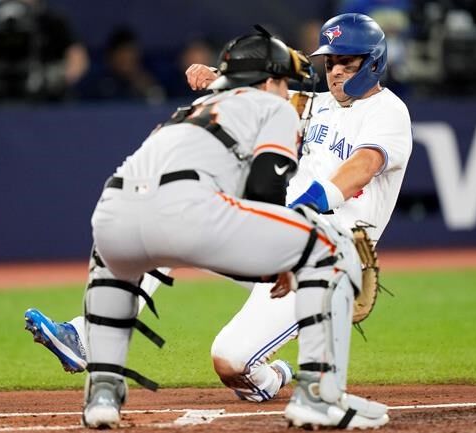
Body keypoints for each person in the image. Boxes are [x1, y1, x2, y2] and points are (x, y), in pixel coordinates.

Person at [26, 13, 411, 427]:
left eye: (346, 62)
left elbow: (364, 165)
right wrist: (219, 78)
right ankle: (85, 337)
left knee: (229, 361)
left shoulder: (388, 112)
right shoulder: (320, 104)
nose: (335, 70)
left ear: (372, 62)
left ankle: (269, 377)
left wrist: (307, 207)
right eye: (330, 61)